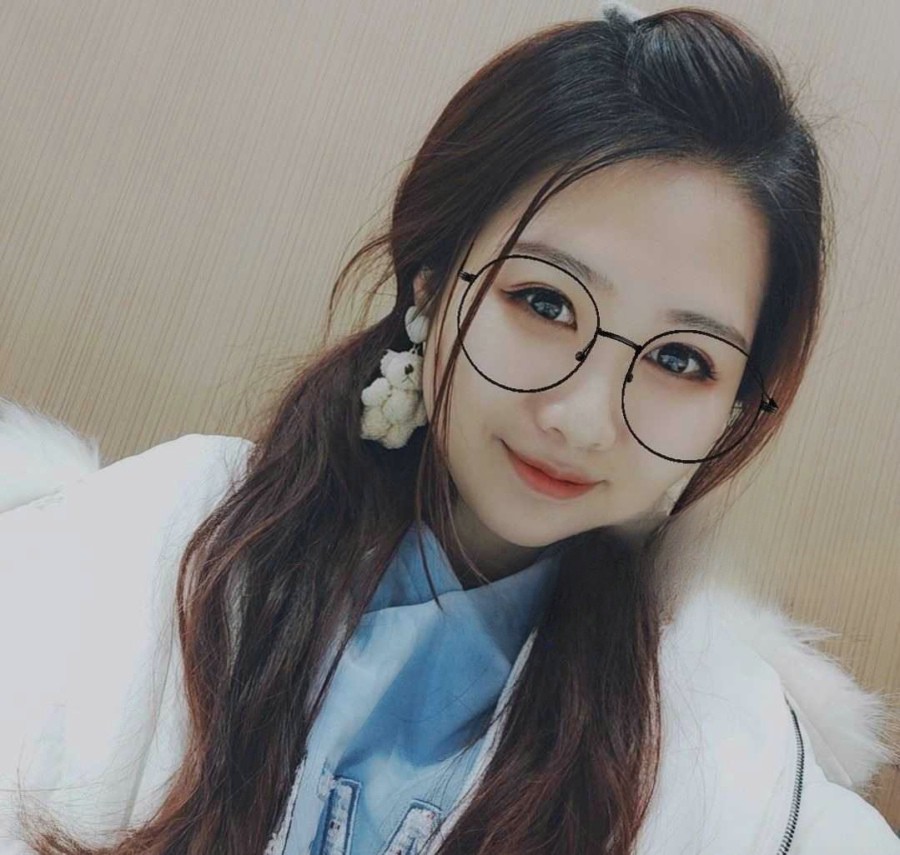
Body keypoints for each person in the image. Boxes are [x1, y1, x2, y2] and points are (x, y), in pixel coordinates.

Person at [1, 3, 898, 854]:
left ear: (734, 409)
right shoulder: (144, 545)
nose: (582, 418)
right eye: (544, 301)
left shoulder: (728, 754)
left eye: (679, 359)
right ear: (432, 280)